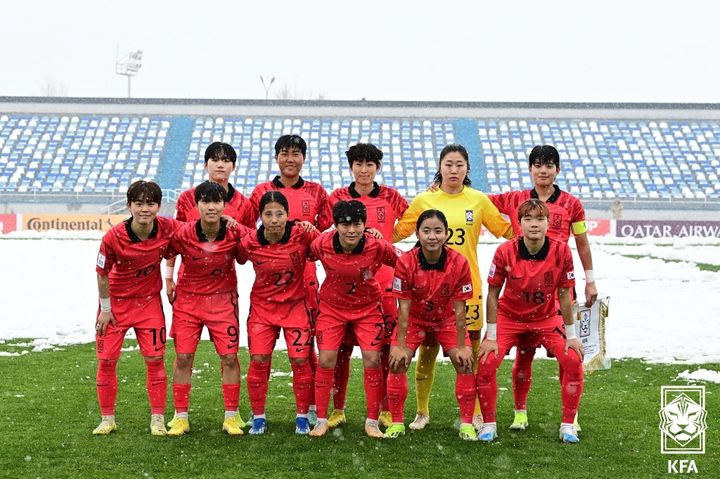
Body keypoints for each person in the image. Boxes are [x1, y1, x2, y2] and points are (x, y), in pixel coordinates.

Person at [393, 143, 513, 431]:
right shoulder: (424, 200)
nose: (454, 169)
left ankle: (471, 414)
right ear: (440, 166)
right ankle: (422, 412)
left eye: (460, 164)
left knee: (468, 351)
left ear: (467, 168)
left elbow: (507, 232)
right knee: (428, 350)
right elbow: (398, 233)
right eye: (449, 164)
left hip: (466, 288)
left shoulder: (479, 200)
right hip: (428, 289)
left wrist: (543, 237)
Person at [489, 144, 597, 432]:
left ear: (557, 170)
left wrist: (590, 278)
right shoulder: (516, 199)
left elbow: (583, 243)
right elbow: (479, 202)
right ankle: (520, 412)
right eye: (538, 165)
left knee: (568, 352)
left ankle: (570, 416)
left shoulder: (572, 204)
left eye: (549, 165)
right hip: (521, 286)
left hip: (560, 287)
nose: (543, 170)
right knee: (524, 354)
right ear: (530, 169)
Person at [475, 199, 584, 443]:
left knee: (573, 359)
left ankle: (568, 424)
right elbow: (492, 293)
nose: (534, 224)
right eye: (528, 219)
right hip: (509, 317)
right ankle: (489, 424)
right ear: (519, 223)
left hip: (546, 317)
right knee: (486, 362)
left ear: (548, 223)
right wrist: (491, 336)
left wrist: (572, 334)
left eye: (539, 219)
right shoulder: (504, 251)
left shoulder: (562, 250)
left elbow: (565, 293)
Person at [247, 134, 333, 425]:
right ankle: (261, 412)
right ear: (276, 158)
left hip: (305, 280)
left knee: (306, 348)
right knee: (264, 355)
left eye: (296, 154)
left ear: (303, 159)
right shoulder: (261, 191)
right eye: (284, 154)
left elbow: (323, 238)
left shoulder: (317, 192)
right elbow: (247, 231)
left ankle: (309, 406)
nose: (290, 159)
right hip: (270, 280)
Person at [327, 143, 409, 428]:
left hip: (383, 288)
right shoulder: (337, 197)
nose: (364, 170)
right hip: (345, 286)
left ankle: (385, 408)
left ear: (378, 167)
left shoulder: (391, 197)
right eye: (358, 164)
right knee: (340, 351)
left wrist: (389, 239)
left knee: (384, 350)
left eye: (369, 164)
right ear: (351, 167)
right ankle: (338, 409)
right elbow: (326, 228)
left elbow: (410, 223)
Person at [93, 181, 180, 436]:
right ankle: (107, 419)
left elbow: (193, 234)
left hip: (148, 303)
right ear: (129, 205)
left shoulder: (167, 228)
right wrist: (106, 309)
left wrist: (168, 277)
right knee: (107, 361)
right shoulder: (113, 237)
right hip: (115, 306)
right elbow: (101, 274)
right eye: (139, 203)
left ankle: (157, 419)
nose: (145, 209)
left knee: (155, 359)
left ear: (159, 206)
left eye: (151, 203)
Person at [164, 181, 250, 436]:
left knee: (229, 357)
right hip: (188, 301)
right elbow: (170, 252)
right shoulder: (183, 232)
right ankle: (180, 417)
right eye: (205, 201)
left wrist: (242, 230)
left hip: (223, 301)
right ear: (197, 204)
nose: (211, 207)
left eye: (216, 202)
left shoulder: (235, 232)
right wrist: (169, 279)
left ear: (224, 205)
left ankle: (231, 417)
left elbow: (250, 252)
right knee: (184, 357)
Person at [308, 200, 399, 438]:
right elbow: (301, 255)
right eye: (345, 224)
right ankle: (321, 419)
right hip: (332, 308)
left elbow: (404, 263)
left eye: (357, 224)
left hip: (368, 308)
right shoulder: (321, 244)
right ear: (335, 226)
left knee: (372, 359)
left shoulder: (377, 246)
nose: (351, 230)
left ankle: (371, 421)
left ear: (364, 225)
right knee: (327, 359)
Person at [385, 210, 476, 441]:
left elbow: (459, 308)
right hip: (415, 319)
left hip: (446, 320)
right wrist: (401, 345)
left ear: (446, 234)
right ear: (418, 234)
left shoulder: (459, 262)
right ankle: (397, 422)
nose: (432, 236)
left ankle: (466, 423)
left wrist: (461, 345)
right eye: (426, 231)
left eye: (437, 231)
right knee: (397, 361)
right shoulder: (406, 261)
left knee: (464, 362)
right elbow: (403, 308)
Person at [236, 190, 320, 435]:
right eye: (268, 214)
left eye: (279, 214)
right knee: (259, 359)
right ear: (260, 216)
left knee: (300, 360)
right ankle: (259, 416)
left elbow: (321, 247)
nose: (274, 219)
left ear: (287, 215)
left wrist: (312, 229)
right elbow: (237, 256)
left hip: (296, 307)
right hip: (263, 309)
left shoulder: (301, 235)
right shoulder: (250, 241)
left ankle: (302, 416)